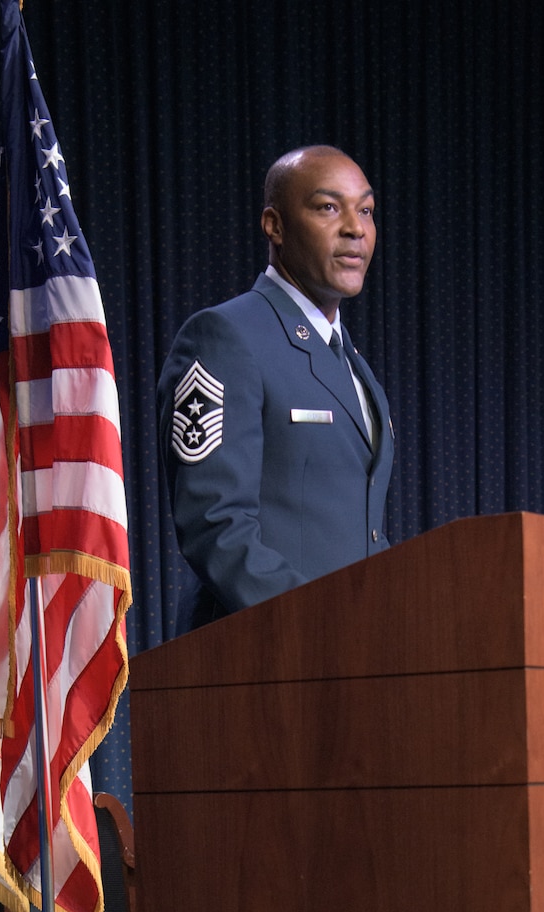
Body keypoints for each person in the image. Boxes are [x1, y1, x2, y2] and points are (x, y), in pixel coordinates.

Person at [157, 144, 394, 632]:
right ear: (275, 225)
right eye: (329, 207)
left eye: (366, 210)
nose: (355, 228)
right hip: (265, 661)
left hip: (357, 663)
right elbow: (217, 529)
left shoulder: (354, 365)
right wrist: (327, 626)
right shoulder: (226, 337)